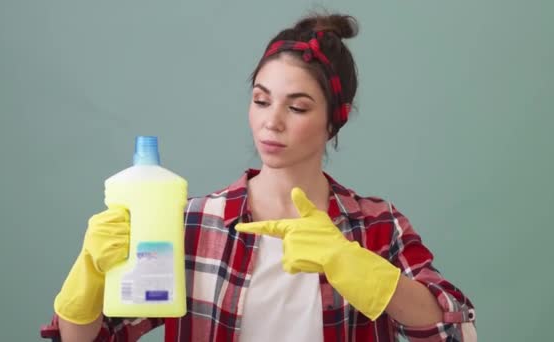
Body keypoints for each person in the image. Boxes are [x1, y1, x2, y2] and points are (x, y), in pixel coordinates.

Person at [48, 12, 477, 342]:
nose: (271, 122)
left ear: (333, 121)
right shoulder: (192, 227)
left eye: (297, 107)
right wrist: (89, 273)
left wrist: (355, 264)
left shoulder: (377, 226)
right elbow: (94, 336)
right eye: (260, 100)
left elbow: (455, 330)